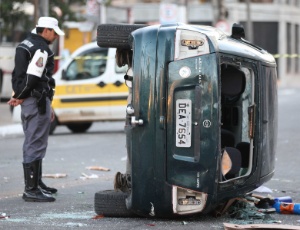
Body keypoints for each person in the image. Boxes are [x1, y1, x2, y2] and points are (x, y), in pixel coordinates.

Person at [7, 17, 65, 202]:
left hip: (32, 99)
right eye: (54, 32)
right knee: (35, 142)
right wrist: (20, 96)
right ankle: (31, 189)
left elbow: (20, 74)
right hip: (35, 100)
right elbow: (33, 78)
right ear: (46, 30)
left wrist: (19, 95)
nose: (56, 36)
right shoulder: (40, 48)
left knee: (35, 140)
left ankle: (36, 184)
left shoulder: (26, 43)